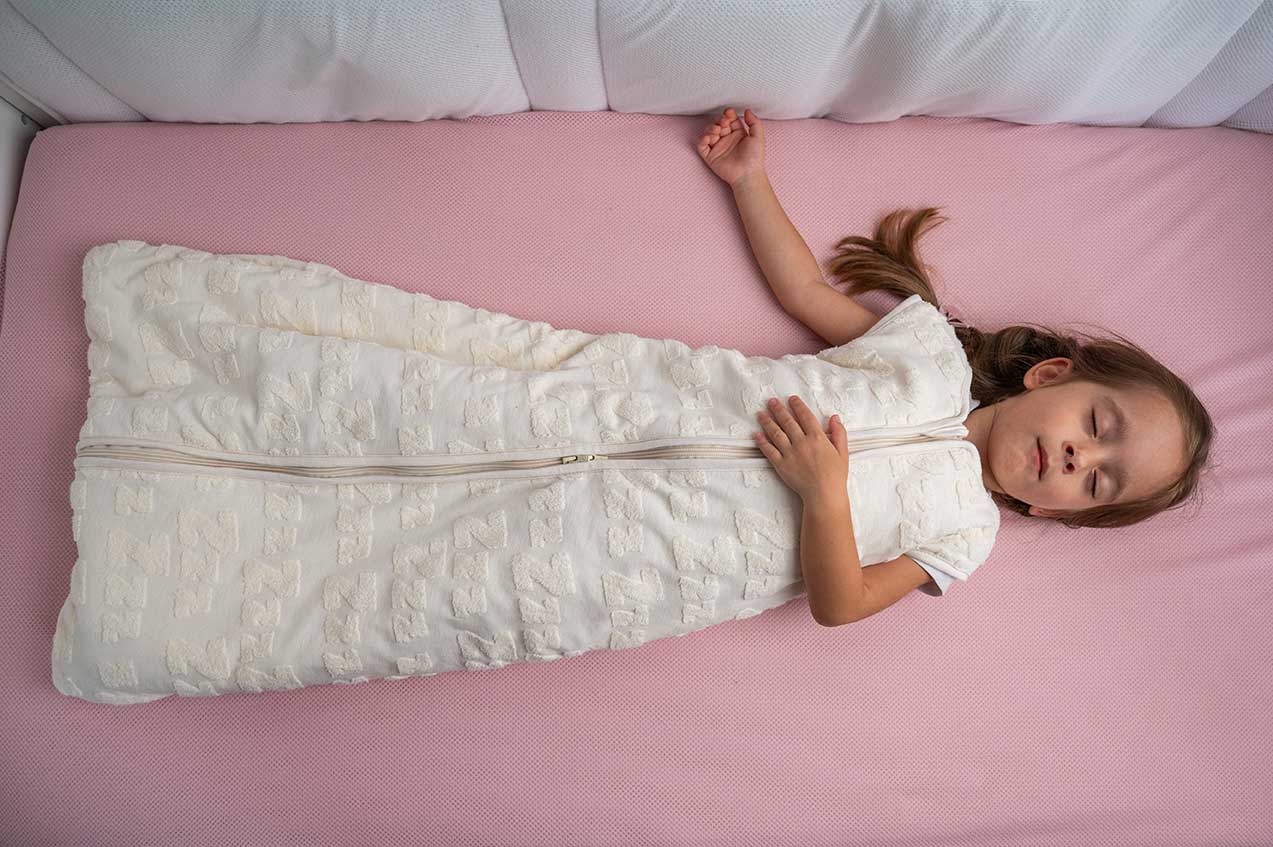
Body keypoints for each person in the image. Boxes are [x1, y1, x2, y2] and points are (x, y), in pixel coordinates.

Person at [696, 106, 1215, 536]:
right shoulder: (927, 357)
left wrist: (824, 496)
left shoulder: (959, 532)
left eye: (1097, 483)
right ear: (1050, 375)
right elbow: (805, 293)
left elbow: (845, 602)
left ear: (1055, 510)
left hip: (700, 536)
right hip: (697, 406)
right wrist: (749, 180)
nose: (1079, 458)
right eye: (1096, 425)